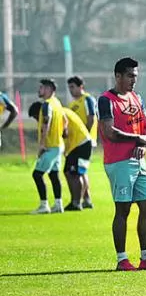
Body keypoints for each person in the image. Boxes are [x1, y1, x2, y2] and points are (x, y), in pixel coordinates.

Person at [98, 57, 146, 270]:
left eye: (136, 76)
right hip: (119, 161)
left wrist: (144, 142)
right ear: (118, 76)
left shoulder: (136, 97)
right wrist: (137, 138)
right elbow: (109, 132)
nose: (134, 80)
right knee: (123, 209)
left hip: (138, 160)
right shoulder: (106, 100)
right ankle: (122, 260)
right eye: (130, 76)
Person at [29, 79, 65, 215]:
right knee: (54, 175)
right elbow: (64, 121)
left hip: (50, 146)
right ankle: (58, 204)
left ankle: (44, 205)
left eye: (42, 88)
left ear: (49, 89)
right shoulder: (58, 103)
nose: (39, 90)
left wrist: (42, 144)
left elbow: (46, 123)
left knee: (37, 174)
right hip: (58, 145)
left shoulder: (47, 105)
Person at [67, 76, 98, 209]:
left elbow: (91, 117)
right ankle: (87, 199)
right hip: (76, 142)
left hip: (84, 141)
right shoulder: (72, 104)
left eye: (73, 87)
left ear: (81, 87)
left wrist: (86, 134)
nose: (70, 90)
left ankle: (78, 201)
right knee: (81, 171)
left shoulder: (87, 99)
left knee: (77, 172)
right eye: (69, 87)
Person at [58, 105, 93, 211]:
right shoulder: (63, 110)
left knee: (74, 174)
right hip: (83, 143)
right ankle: (86, 200)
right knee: (79, 172)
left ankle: (76, 203)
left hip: (79, 144)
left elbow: (65, 132)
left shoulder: (58, 113)